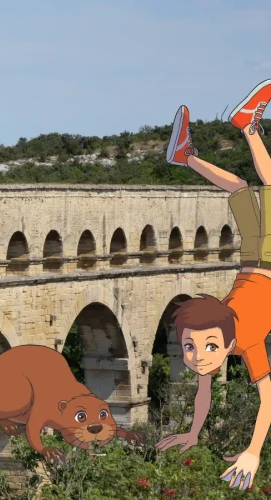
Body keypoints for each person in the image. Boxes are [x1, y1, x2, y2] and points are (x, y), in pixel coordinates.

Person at [155, 80, 271, 491]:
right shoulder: (227, 339)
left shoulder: (236, 340)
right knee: (243, 188)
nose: (198, 358)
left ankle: (239, 131)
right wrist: (193, 431)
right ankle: (187, 155)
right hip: (254, 262)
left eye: (200, 348)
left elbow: (267, 402)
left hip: (261, 262)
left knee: (255, 187)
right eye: (190, 348)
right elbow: (220, 396)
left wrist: (254, 450)